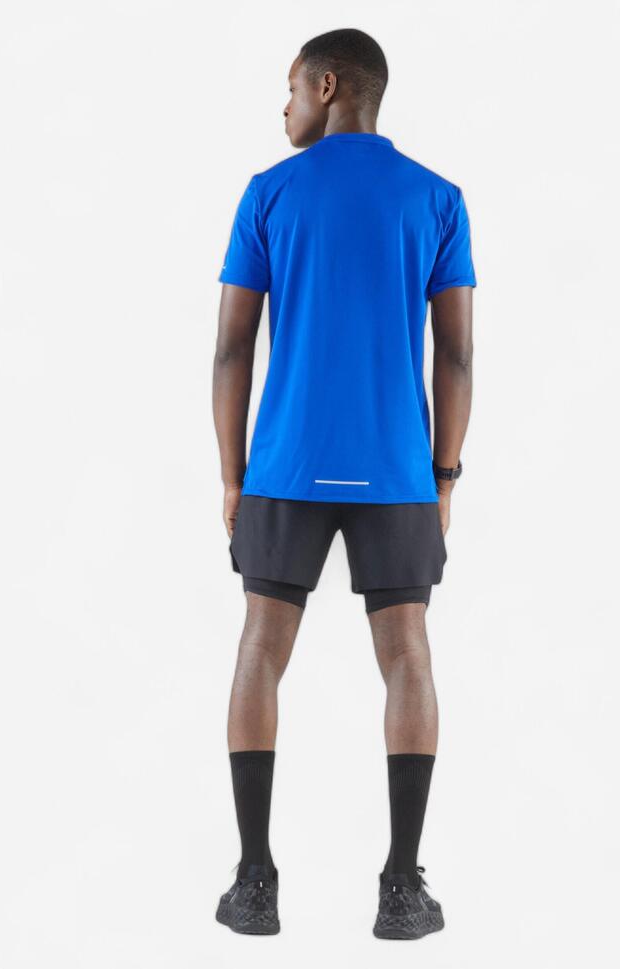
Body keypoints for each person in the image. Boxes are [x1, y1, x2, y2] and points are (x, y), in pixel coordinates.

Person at [212, 27, 475, 940]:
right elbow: (457, 355)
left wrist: (232, 477)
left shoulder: (269, 193)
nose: (282, 107)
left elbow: (231, 350)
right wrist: (443, 477)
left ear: (327, 86)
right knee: (407, 655)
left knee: (260, 647)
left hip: (283, 467)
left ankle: (254, 881)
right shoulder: (437, 198)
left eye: (289, 89)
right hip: (398, 471)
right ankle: (400, 888)